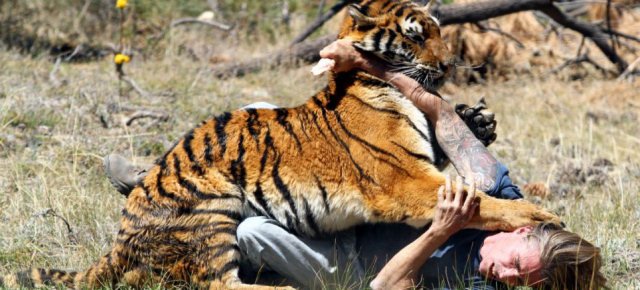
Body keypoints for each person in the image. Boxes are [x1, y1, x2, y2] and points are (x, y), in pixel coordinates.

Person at [103, 40, 607, 290]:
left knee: (254, 232)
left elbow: (385, 288)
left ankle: (194, 232)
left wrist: (438, 232)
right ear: (524, 233)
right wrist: (366, 63)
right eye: (516, 265)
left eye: (521, 285)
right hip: (360, 202)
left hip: (355, 263)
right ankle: (162, 180)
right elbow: (443, 115)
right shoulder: (506, 198)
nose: (504, 275)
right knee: (259, 114)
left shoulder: (477, 285)